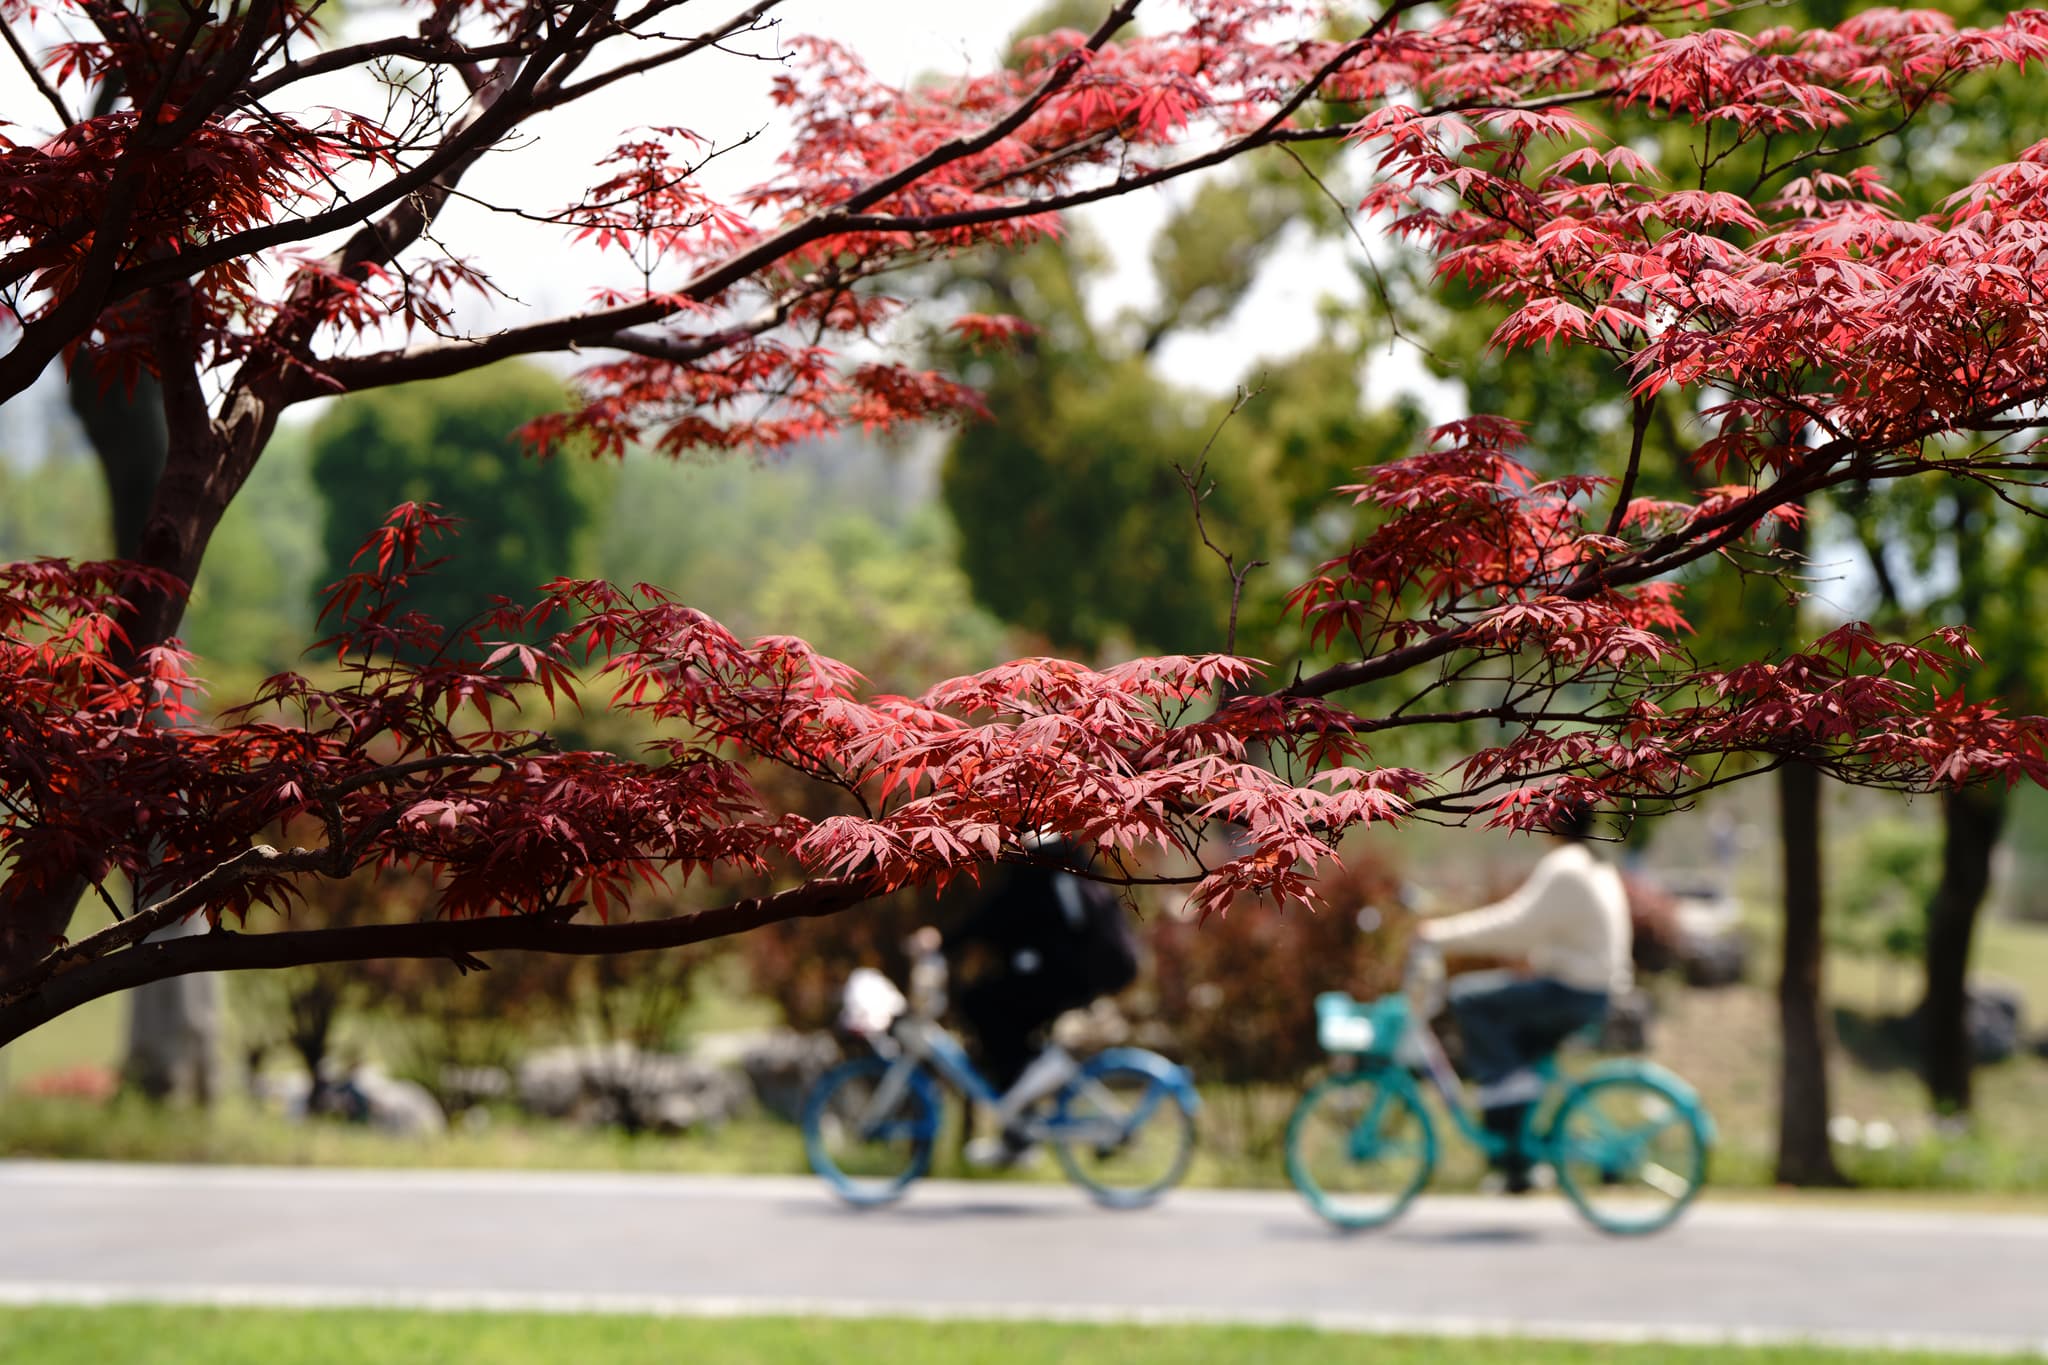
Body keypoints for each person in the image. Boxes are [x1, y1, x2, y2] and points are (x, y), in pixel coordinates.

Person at [1417, 802, 1632, 1192]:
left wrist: (1440, 935)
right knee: (1516, 1060)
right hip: (1586, 989)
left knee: (1468, 999)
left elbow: (1517, 925)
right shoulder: (1593, 862)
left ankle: (1509, 1108)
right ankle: (1517, 1164)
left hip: (1571, 990)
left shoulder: (1566, 866)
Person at [947, 835, 1140, 1166]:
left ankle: (1020, 1112)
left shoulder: (1036, 869)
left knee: (981, 1003)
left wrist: (945, 942)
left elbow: (995, 915)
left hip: (1065, 974)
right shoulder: (1068, 864)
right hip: (1079, 973)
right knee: (1006, 1018)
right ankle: (1018, 1128)